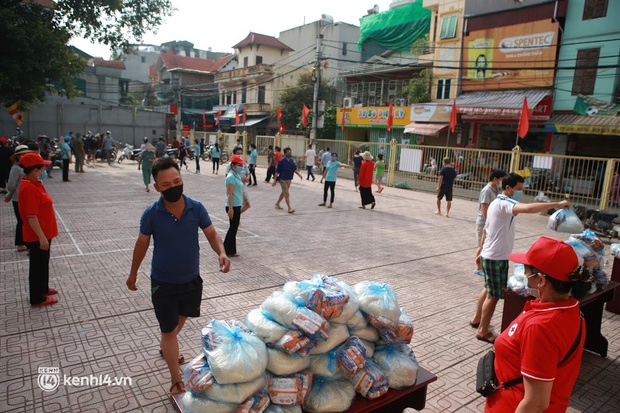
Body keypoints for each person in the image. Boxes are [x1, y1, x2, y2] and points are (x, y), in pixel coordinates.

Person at [126, 156, 230, 396]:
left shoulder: (196, 207)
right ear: (157, 188)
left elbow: (212, 234)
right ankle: (175, 378)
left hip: (192, 280)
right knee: (169, 330)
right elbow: (141, 244)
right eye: (166, 185)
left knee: (179, 321)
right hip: (163, 283)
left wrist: (222, 252)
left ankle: (167, 345)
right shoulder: (151, 213)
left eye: (177, 181)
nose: (173, 187)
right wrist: (133, 273)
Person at [486, 236, 589, 413]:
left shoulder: (541, 327)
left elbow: (536, 403)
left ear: (541, 280)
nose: (523, 277)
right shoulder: (571, 310)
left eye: (526, 273)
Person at [471, 173, 570, 343]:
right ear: (507, 188)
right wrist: (558, 204)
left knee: (488, 288)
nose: (520, 193)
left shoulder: (495, 202)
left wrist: (480, 250)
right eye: (518, 189)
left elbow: (487, 230)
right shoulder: (504, 202)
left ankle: (477, 319)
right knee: (493, 295)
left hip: (490, 254)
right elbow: (527, 208)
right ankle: (483, 330)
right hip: (496, 257)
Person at [18, 152, 59, 307]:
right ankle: (37, 298)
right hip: (37, 235)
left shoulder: (35, 184)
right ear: (35, 170)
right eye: (42, 169)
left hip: (45, 232)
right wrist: (41, 237)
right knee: (37, 266)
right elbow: (31, 216)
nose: (44, 171)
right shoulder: (28, 188)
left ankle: (43, 288)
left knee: (43, 262)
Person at [474, 170, 506, 277]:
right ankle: (478, 267)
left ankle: (483, 266)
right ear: (495, 179)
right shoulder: (487, 190)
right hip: (484, 221)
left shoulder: (496, 190)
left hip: (491, 222)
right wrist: (489, 222)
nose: (502, 181)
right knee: (481, 245)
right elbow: (484, 208)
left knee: (487, 245)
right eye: (501, 179)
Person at [4, 145, 35, 252]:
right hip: (19, 199)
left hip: (28, 197)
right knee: (22, 221)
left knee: (28, 220)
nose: (25, 155)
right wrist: (11, 194)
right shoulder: (16, 168)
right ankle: (20, 243)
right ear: (17, 156)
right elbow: (11, 185)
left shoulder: (27, 167)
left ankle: (28, 242)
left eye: (27, 153)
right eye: (22, 154)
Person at [224, 155, 249, 257]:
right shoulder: (230, 177)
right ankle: (226, 248)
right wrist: (230, 208)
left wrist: (246, 200)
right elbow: (230, 194)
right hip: (233, 205)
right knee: (233, 228)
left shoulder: (236, 175)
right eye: (239, 165)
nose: (240, 166)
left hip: (237, 204)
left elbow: (240, 189)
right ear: (233, 165)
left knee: (233, 228)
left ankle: (231, 250)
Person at [272, 147, 303, 214]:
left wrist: (299, 175)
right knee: (287, 194)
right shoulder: (281, 161)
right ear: (285, 153)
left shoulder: (292, 161)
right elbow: (277, 172)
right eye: (288, 152)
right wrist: (274, 181)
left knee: (283, 193)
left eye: (290, 152)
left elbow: (294, 169)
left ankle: (277, 203)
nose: (290, 153)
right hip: (283, 180)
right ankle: (289, 208)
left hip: (289, 179)